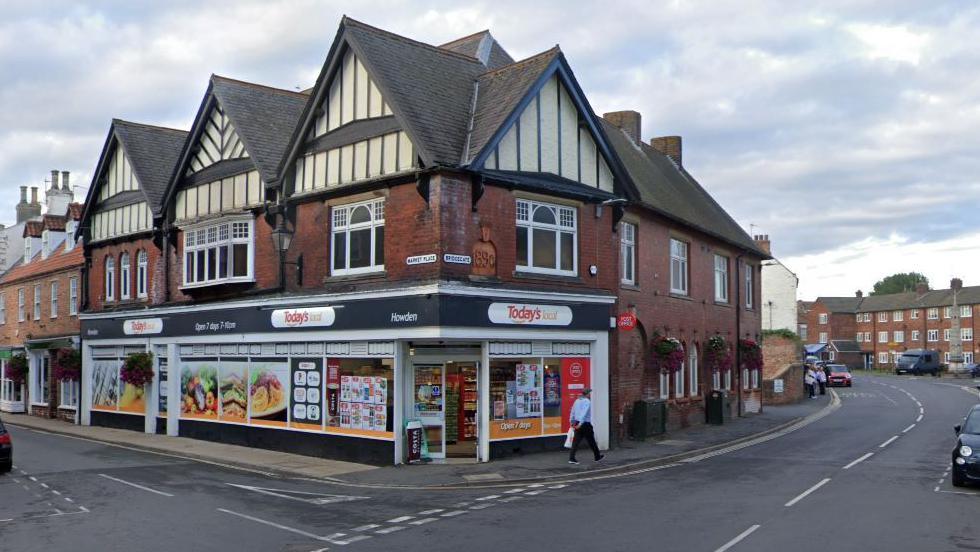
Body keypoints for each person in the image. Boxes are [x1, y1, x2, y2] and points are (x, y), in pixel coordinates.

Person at [568, 388, 603, 464]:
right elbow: (583, 413)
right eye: (589, 393)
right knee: (592, 441)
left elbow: (572, 411)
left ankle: (571, 458)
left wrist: (571, 421)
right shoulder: (587, 401)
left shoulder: (577, 401)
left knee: (576, 442)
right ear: (587, 394)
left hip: (577, 422)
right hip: (585, 424)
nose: (590, 395)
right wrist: (580, 424)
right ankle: (597, 457)